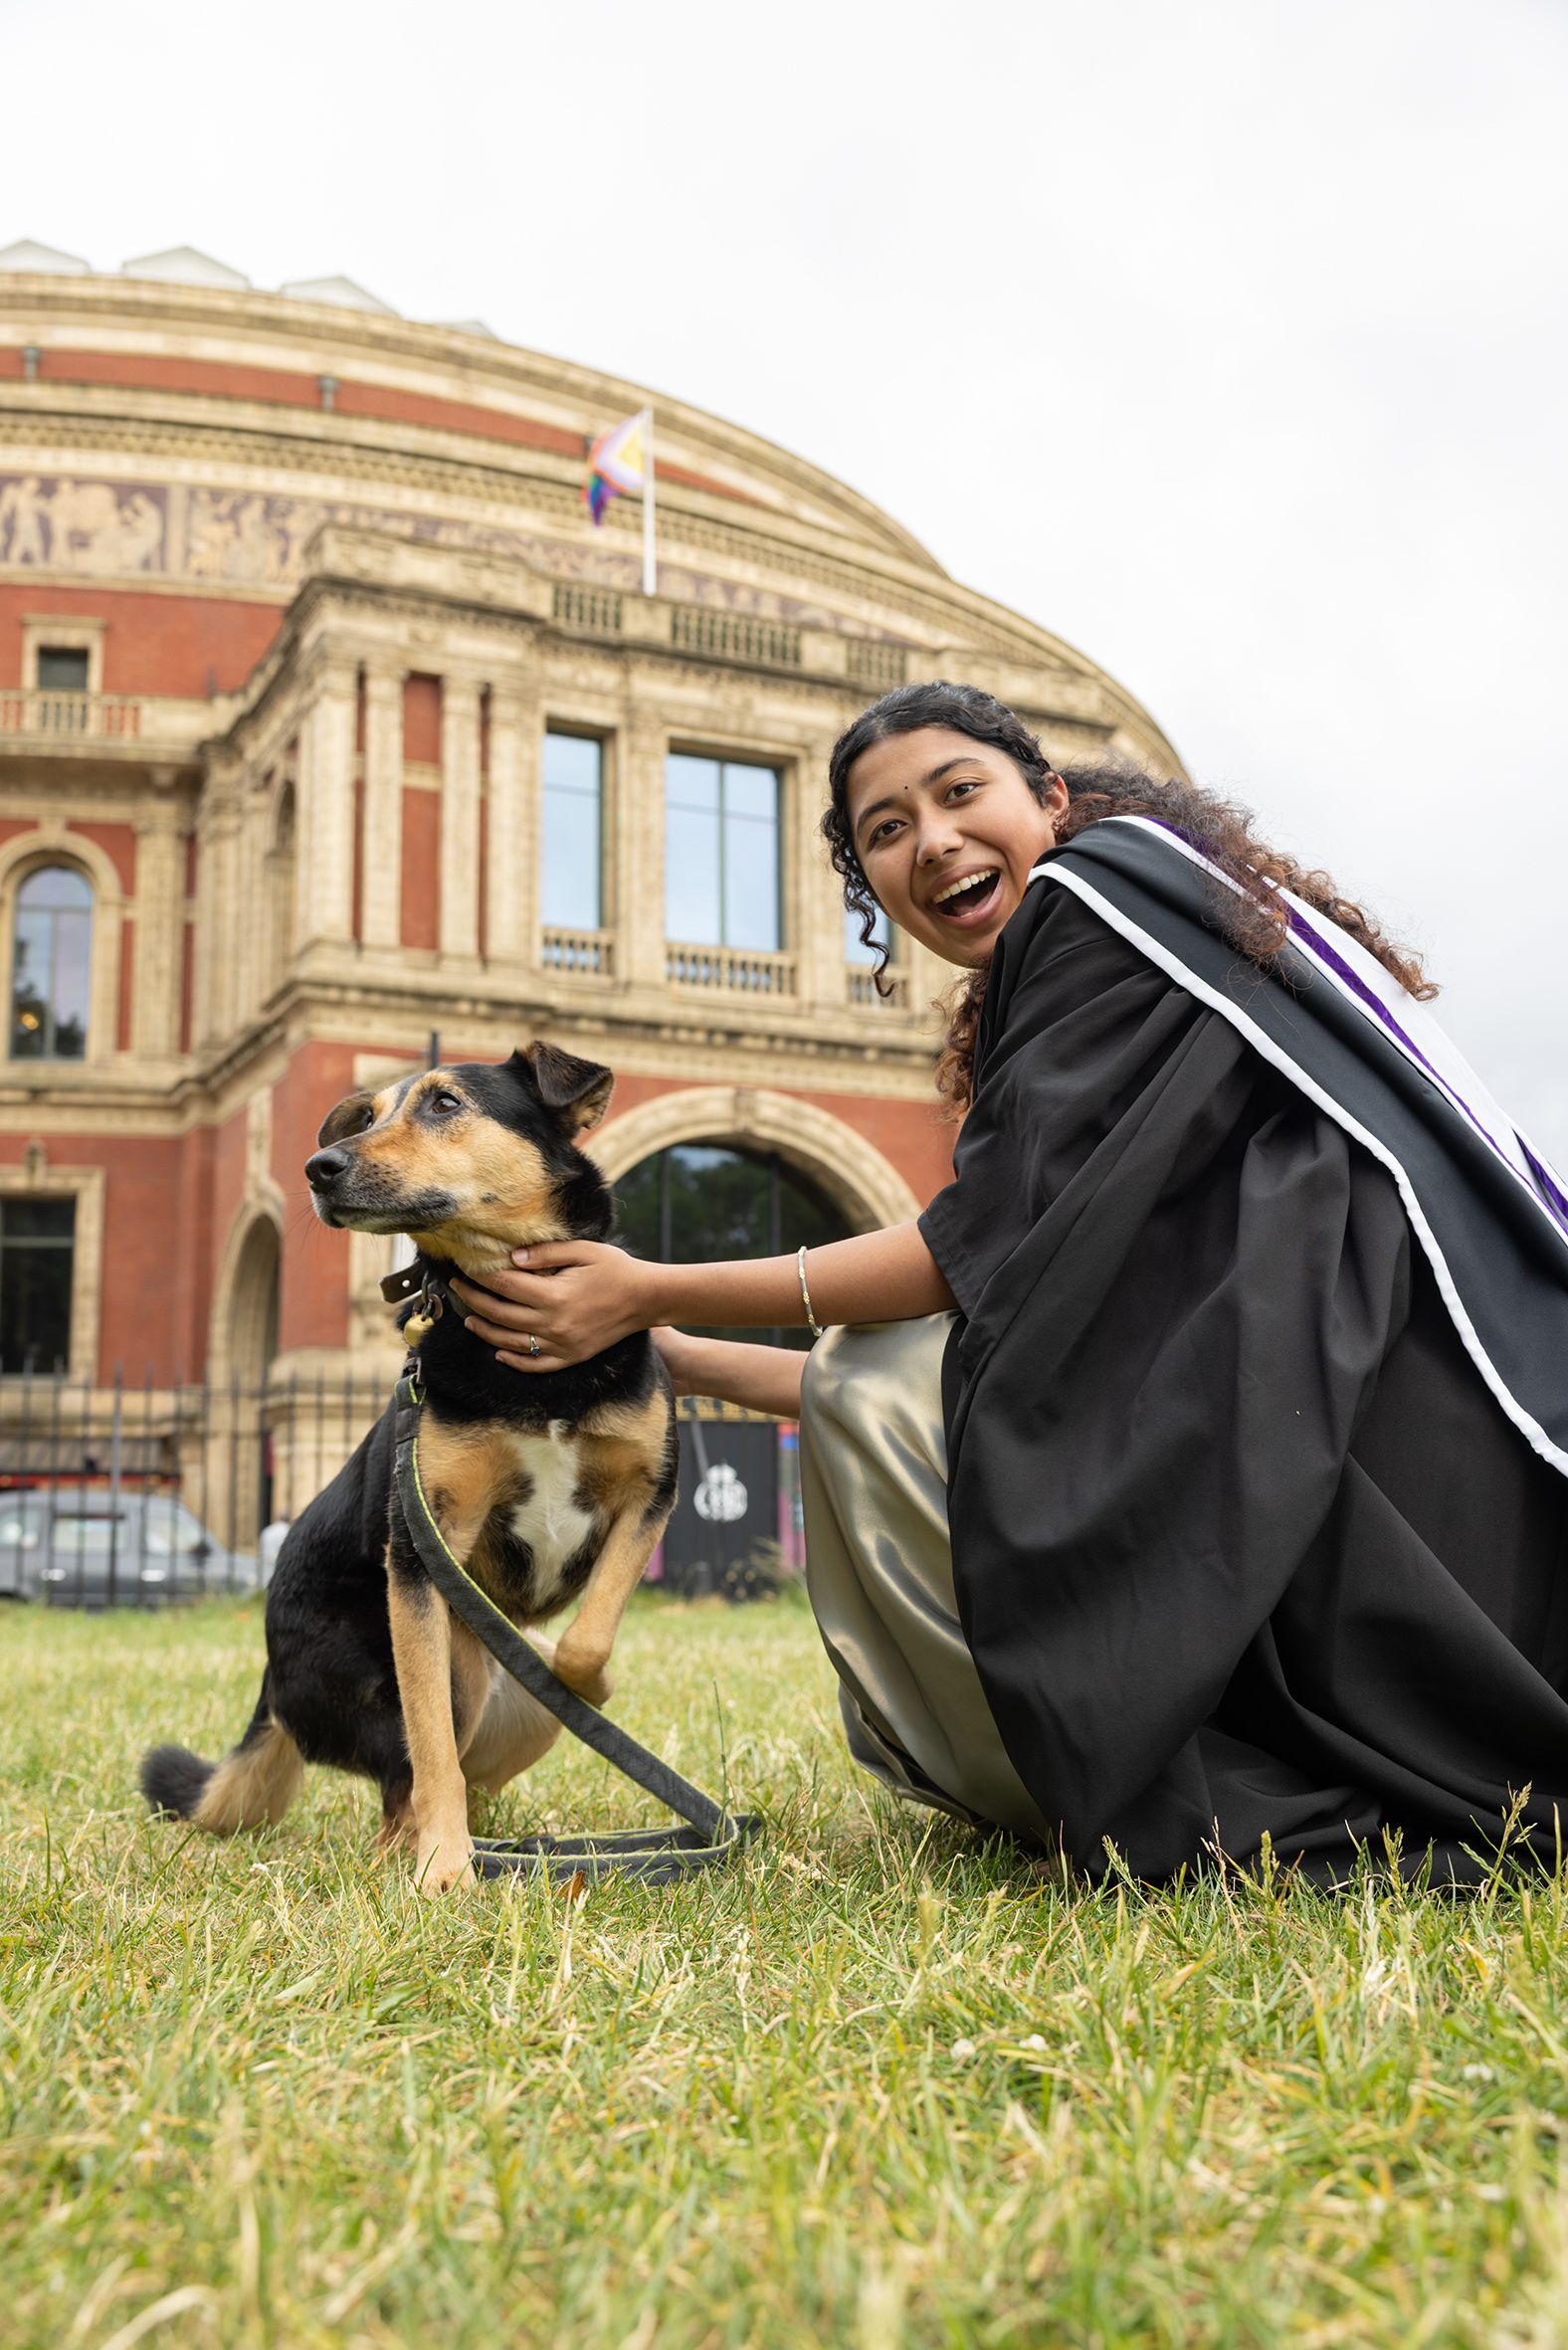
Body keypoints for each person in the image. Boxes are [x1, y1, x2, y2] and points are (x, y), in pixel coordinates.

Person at [451, 682, 1568, 1886]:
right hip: (1375, 1440)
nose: (930, 839)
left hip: (1375, 1439)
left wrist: (646, 1293)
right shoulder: (1139, 941)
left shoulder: (1094, 916)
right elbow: (993, 1349)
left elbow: (956, 1272)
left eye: (958, 791)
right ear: (869, 886)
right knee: (876, 1376)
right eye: (883, 830)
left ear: (1051, 799)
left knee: (877, 1371)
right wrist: (652, 1358)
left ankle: (1043, 1767)